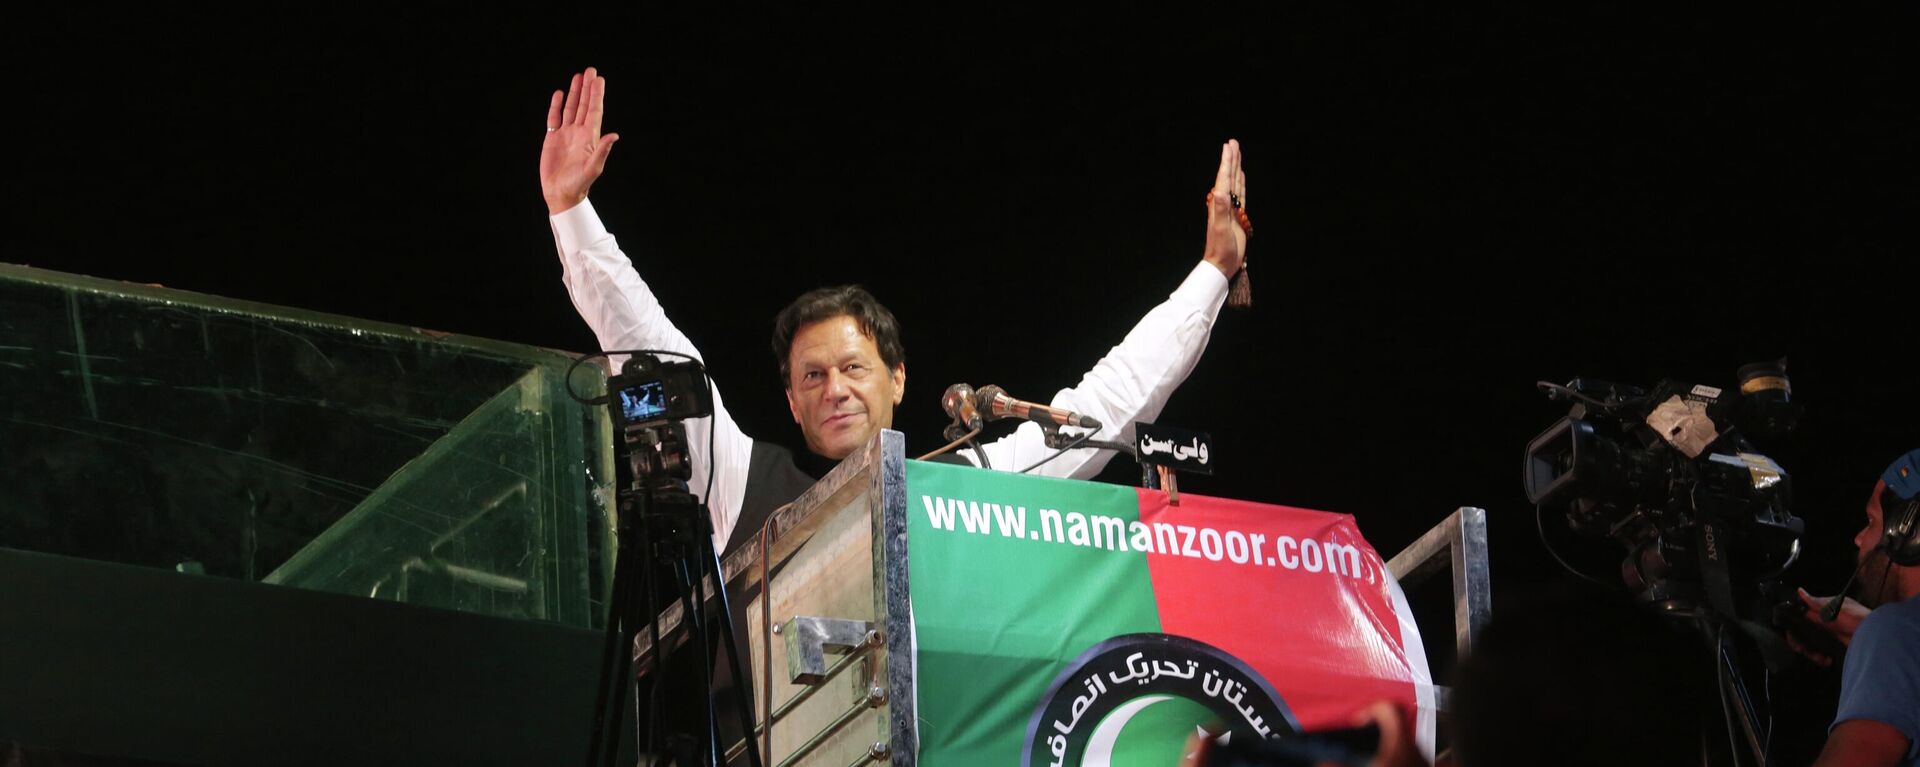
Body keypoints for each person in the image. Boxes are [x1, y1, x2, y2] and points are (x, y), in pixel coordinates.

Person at [538, 67, 1250, 554]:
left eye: (853, 366)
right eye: (812, 377)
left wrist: (1215, 272)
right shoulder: (740, 479)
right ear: (790, 401)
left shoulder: (968, 480)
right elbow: (655, 351)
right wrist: (571, 210)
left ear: (899, 379)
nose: (836, 388)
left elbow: (1108, 403)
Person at [1795, 448, 1920, 767]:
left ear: (1907, 534)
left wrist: (1883, 637)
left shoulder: (1896, 631)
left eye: (1872, 521)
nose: (1859, 538)